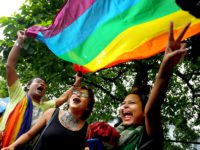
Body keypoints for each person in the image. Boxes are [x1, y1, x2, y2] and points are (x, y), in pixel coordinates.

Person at [86, 21, 191, 150]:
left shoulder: (148, 136)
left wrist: (166, 68)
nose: (124, 106)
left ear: (144, 110)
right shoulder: (109, 141)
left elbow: (152, 110)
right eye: (123, 103)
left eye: (131, 103)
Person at [0, 30, 82, 148]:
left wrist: (77, 82)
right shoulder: (18, 95)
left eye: (44, 84)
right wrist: (19, 41)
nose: (42, 84)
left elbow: (64, 98)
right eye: (38, 82)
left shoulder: (46, 107)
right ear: (28, 86)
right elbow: (10, 66)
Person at [2, 85, 95, 150]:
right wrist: (13, 146)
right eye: (76, 92)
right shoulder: (51, 113)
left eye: (84, 95)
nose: (78, 94)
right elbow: (29, 135)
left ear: (88, 106)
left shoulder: (87, 130)